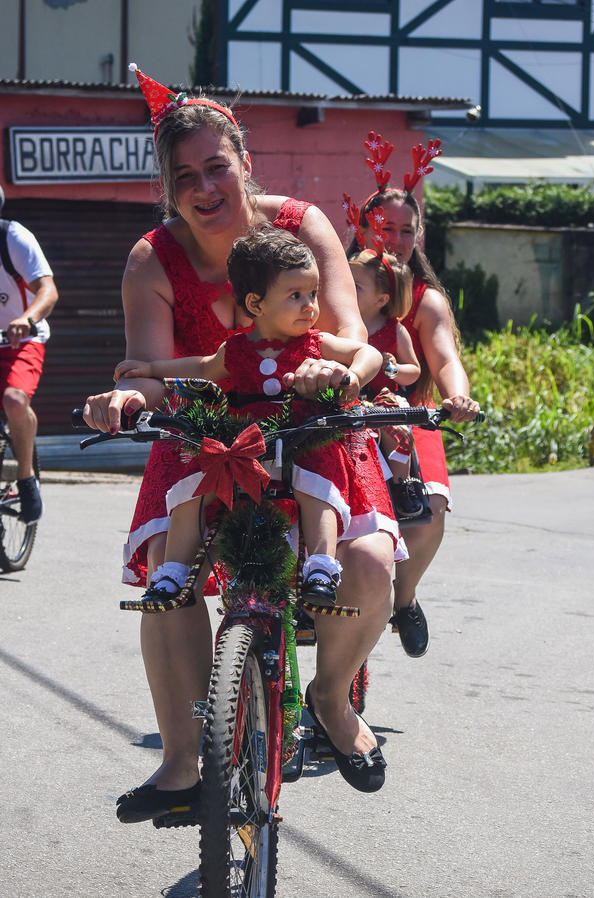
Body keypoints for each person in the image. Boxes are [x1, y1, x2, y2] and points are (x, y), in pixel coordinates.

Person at [83, 65, 396, 820]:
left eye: (216, 165)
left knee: (365, 562)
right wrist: (128, 397)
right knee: (170, 575)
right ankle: (184, 763)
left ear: (245, 163)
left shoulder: (300, 225)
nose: (204, 186)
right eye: (184, 174)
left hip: (310, 420)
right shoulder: (151, 259)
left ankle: (328, 697)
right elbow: (151, 372)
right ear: (169, 185)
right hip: (206, 437)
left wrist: (333, 370)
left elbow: (354, 337)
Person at [115, 225, 397, 611]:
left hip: (301, 437)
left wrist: (353, 376)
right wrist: (149, 368)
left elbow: (368, 355)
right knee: (195, 484)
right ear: (256, 303)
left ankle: (321, 566)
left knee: (318, 480)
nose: (310, 306)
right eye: (295, 295)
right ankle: (172, 574)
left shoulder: (315, 343)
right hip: (244, 443)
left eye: (313, 294)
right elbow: (199, 366)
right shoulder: (234, 349)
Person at [347, 134, 480, 659]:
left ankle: (403, 600)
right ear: (361, 228)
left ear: (419, 236)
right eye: (385, 228)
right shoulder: (336, 283)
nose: (396, 239)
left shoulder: (425, 302)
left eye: (407, 230)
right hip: (345, 411)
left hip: (408, 417)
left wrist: (459, 398)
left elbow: (444, 359)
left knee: (432, 510)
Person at [348, 247, 422, 511]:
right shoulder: (341, 324)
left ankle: (403, 483)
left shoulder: (394, 329)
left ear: (381, 300)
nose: (347, 289)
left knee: (396, 420)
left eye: (356, 286)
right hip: (351, 397)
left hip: (381, 396)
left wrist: (393, 369)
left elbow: (413, 370)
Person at [0, 185, 58, 523]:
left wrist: (26, 318)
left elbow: (48, 290)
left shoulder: (14, 239)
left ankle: (26, 478)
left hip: (22, 341)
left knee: (14, 400)